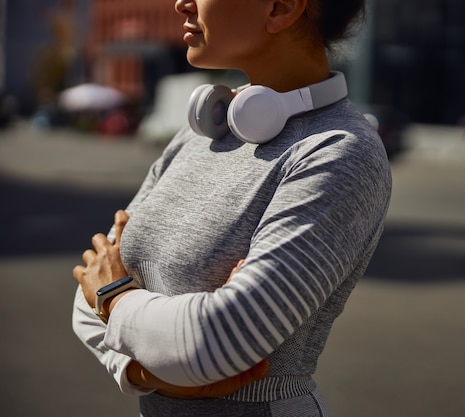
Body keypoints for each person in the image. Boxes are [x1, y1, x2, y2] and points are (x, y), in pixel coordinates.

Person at [72, 0, 392, 415]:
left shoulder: (339, 151)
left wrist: (115, 297)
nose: (181, 3)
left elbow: (220, 342)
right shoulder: (201, 134)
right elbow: (84, 297)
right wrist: (143, 374)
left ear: (281, 7)